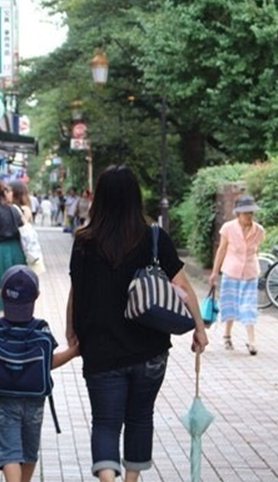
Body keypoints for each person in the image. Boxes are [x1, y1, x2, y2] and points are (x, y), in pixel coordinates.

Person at [66, 165, 209, 482]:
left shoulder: (84, 241)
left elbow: (77, 290)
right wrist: (199, 328)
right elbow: (183, 287)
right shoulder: (154, 238)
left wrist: (70, 329)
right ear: (135, 198)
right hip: (149, 350)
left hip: (100, 348)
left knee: (105, 422)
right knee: (141, 417)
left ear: (100, 198)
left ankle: (107, 479)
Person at [0, 265, 79, 482]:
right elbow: (49, 364)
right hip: (35, 401)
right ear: (37, 295)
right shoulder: (41, 329)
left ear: (1, 294)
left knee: (9, 452)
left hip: (4, 400)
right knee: (29, 452)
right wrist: (73, 352)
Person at [208, 194, 266, 355]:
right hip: (231, 271)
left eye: (251, 212)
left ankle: (252, 341)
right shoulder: (228, 228)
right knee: (230, 304)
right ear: (238, 213)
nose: (249, 216)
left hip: (250, 272)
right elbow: (221, 250)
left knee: (248, 305)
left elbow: (256, 250)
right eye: (246, 213)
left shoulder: (259, 230)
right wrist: (214, 272)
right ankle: (227, 335)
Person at [0, 179, 26, 317]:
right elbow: (24, 228)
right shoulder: (14, 209)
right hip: (17, 251)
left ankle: (2, 322)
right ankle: (18, 318)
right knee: (17, 286)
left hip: (0, 251)